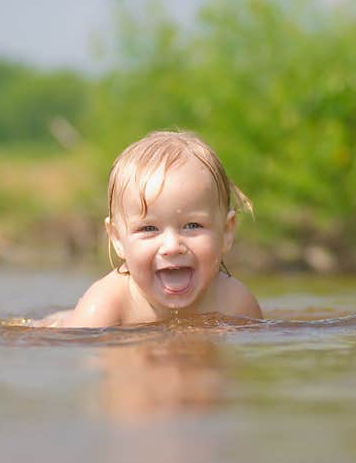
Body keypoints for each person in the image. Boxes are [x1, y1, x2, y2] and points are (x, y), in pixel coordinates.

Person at [44, 130, 262, 327]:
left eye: (193, 225)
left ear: (226, 232)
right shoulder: (105, 307)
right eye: (149, 228)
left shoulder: (236, 303)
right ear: (118, 239)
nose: (172, 247)